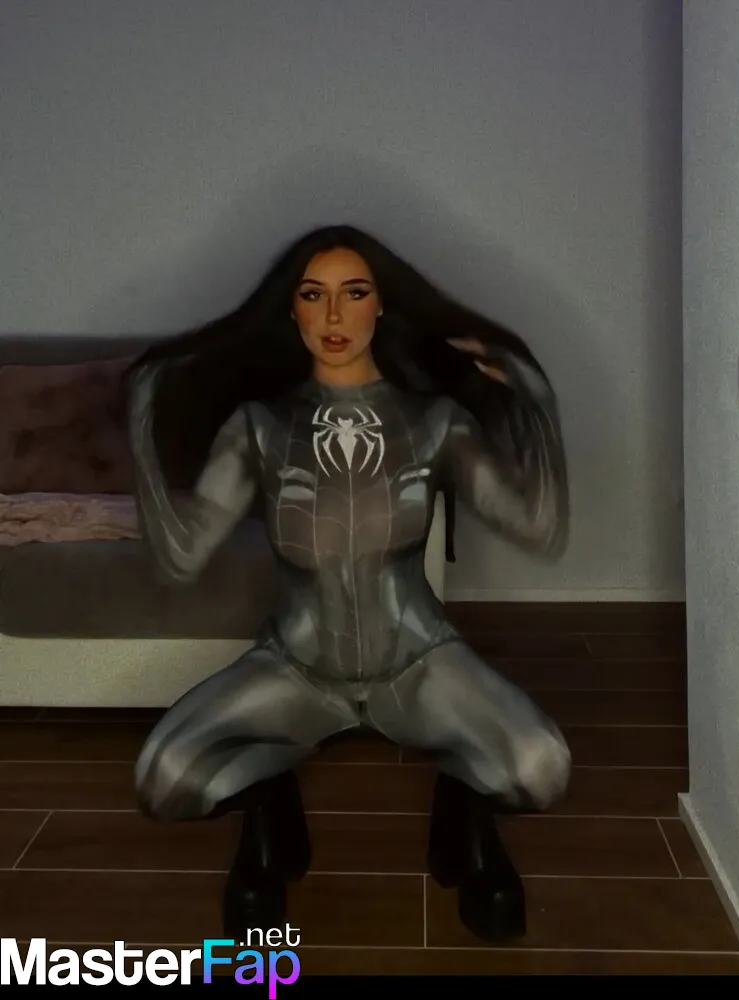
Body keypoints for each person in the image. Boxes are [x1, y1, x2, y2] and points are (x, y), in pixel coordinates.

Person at [125, 224, 572, 944]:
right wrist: (142, 421)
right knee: (162, 780)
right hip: (298, 668)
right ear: (292, 310)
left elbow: (539, 528)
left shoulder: (435, 422)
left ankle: (462, 815)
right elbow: (182, 557)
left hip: (419, 662)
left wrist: (537, 405)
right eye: (314, 295)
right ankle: (270, 805)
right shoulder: (259, 427)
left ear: (381, 305)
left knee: (542, 769)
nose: (334, 315)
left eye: (354, 293)